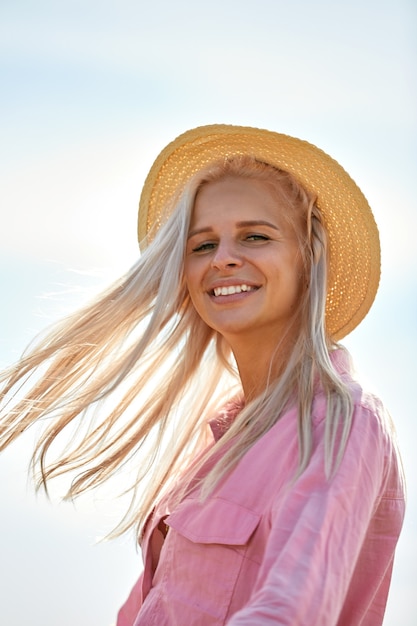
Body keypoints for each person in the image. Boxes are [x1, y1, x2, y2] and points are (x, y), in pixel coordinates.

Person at [0, 124, 405, 625]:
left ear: (309, 256)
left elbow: (291, 611)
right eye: (201, 245)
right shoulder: (214, 444)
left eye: (255, 236)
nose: (224, 258)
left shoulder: (342, 423)